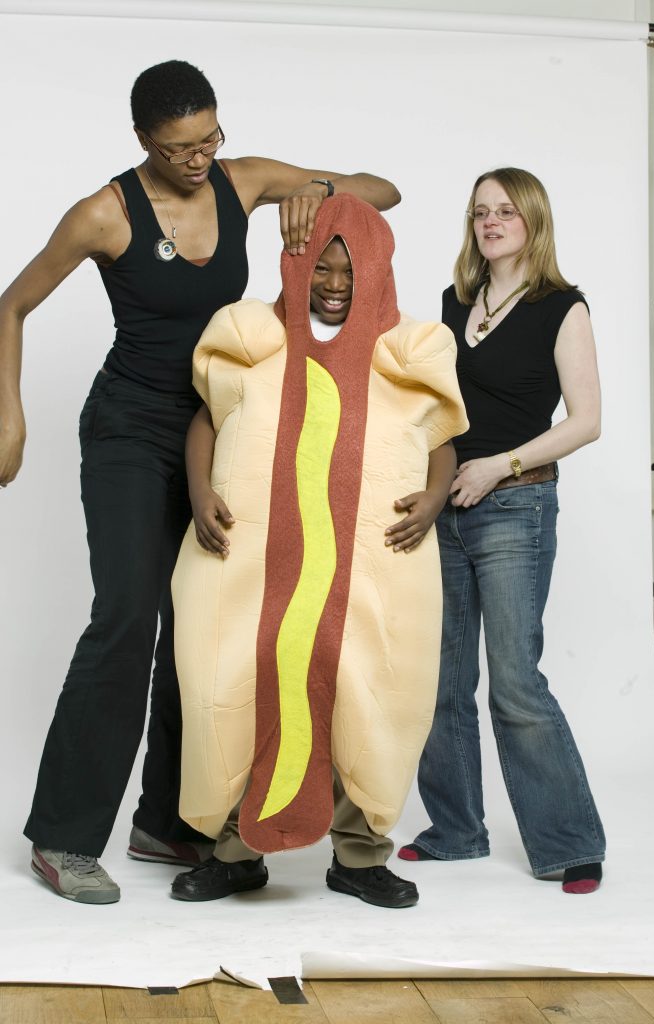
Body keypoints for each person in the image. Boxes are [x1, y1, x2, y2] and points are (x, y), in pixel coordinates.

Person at [0, 59, 400, 904]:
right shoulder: (103, 214)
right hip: (129, 432)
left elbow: (382, 190)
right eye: (181, 146)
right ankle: (63, 838)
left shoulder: (242, 179)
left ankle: (167, 822)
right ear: (143, 140)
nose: (199, 158)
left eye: (210, 138)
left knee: (203, 626)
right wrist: (11, 416)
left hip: (221, 432)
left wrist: (317, 190)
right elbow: (10, 305)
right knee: (126, 619)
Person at [167, 193, 469, 908]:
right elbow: (208, 420)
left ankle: (359, 858)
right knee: (241, 680)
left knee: (364, 688)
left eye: (349, 271)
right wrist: (199, 489)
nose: (334, 284)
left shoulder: (407, 352)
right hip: (253, 556)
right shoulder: (252, 339)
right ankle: (235, 853)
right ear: (296, 268)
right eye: (320, 269)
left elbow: (441, 443)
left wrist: (432, 499)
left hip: (369, 558)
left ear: (377, 274)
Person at [398, 167, 606, 895]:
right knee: (441, 681)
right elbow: (435, 414)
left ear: (531, 221)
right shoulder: (453, 306)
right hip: (445, 508)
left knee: (514, 682)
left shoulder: (560, 307)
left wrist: (498, 466)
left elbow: (585, 422)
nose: (490, 222)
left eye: (505, 212)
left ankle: (569, 842)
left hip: (516, 506)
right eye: (480, 212)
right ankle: (455, 831)